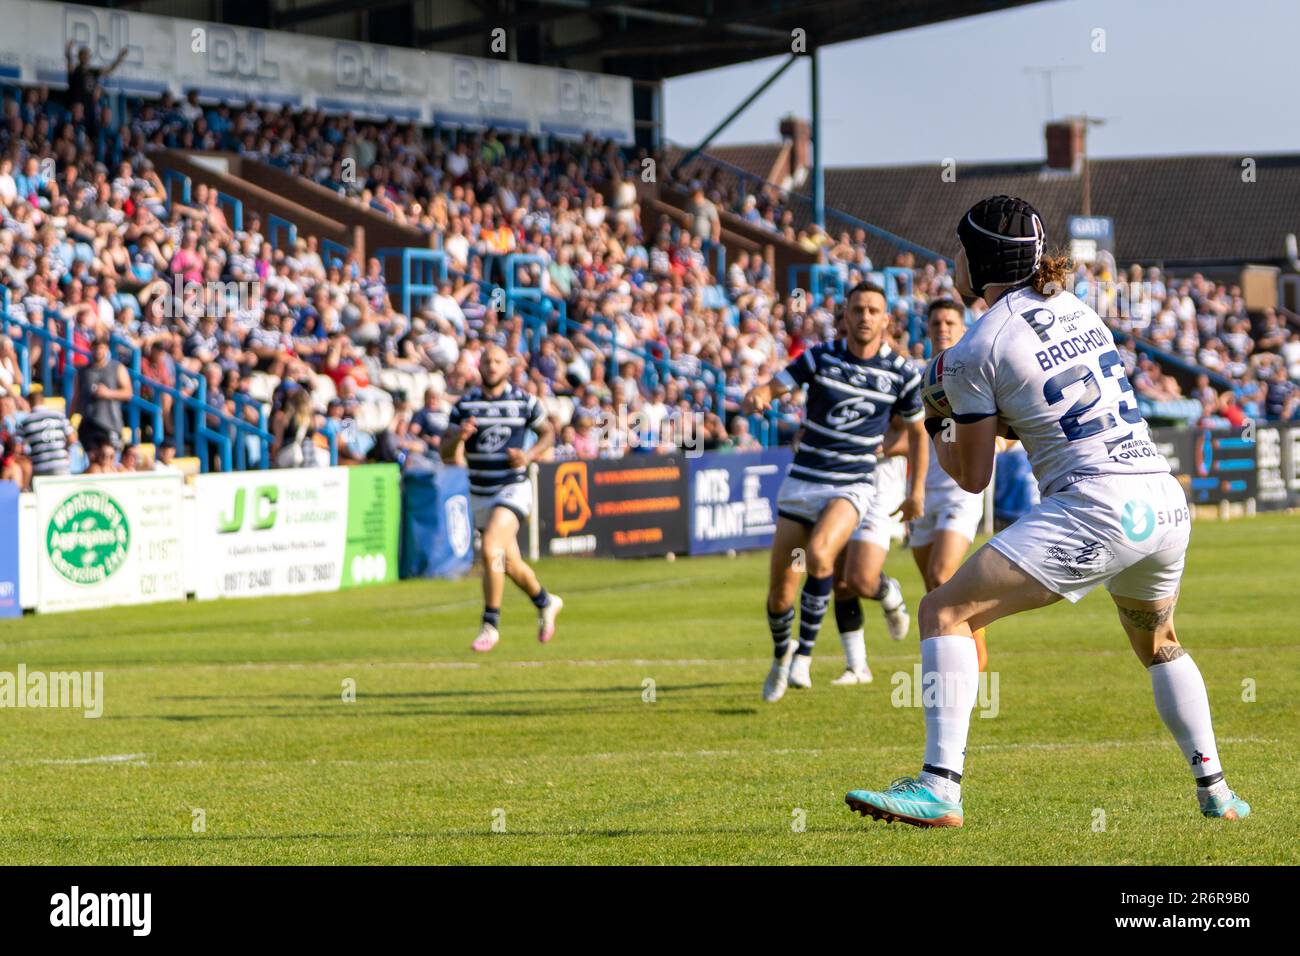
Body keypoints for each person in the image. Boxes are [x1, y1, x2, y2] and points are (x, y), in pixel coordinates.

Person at [845, 195, 1248, 828]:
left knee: (943, 611)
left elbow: (972, 475)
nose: (952, 260)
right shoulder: (1077, 307)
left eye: (960, 249)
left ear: (980, 261)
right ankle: (1217, 790)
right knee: (1160, 642)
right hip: (1161, 498)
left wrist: (936, 420)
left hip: (1095, 503)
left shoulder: (976, 347)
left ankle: (939, 786)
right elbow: (1035, 410)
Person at [743, 282, 927, 702]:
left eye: (873, 310)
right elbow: (777, 385)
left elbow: (918, 433)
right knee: (780, 594)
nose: (864, 317)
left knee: (821, 554)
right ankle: (781, 655)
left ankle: (804, 657)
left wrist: (915, 491)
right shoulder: (820, 356)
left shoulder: (901, 373)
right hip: (803, 481)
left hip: (852, 485)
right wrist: (760, 393)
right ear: (845, 315)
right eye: (857, 309)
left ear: (886, 320)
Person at [441, 344, 563, 653]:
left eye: (497, 361)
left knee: (491, 548)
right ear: (479, 366)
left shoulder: (524, 401)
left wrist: (529, 455)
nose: (492, 366)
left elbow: (549, 433)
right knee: (508, 563)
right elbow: (445, 453)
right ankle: (545, 602)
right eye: (487, 361)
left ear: (508, 367)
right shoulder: (464, 405)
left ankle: (490, 624)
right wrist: (459, 437)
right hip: (479, 491)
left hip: (512, 488)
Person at [906, 300, 991, 672]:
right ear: (927, 328)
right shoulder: (913, 376)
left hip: (961, 491)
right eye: (936, 322)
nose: (942, 328)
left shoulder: (974, 371)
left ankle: (977, 656)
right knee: (934, 586)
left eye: (950, 322)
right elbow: (906, 434)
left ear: (963, 328)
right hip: (922, 492)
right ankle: (955, 651)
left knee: (943, 575)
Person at [76, 337, 132, 456]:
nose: (98, 351)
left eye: (101, 348)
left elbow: (128, 393)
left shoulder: (117, 368)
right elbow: (76, 397)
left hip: (110, 424)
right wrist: (69, 420)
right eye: (95, 348)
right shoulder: (83, 371)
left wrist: (108, 393)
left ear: (107, 349)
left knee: (108, 456)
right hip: (88, 423)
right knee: (91, 458)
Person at [18, 387, 75, 479]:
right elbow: (72, 439)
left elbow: (18, 447)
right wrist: (65, 450)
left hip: (40, 466)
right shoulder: (59, 415)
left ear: (29, 403)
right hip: (61, 464)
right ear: (43, 401)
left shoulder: (25, 422)